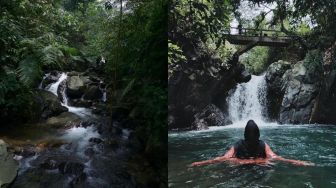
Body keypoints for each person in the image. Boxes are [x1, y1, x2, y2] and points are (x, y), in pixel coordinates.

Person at [191, 120, 314, 167]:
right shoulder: (263, 145)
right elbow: (276, 157)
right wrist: (295, 161)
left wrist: (203, 162)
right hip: (261, 168)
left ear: (244, 133)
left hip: (240, 169)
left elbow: (224, 158)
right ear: (258, 134)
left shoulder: (238, 144)